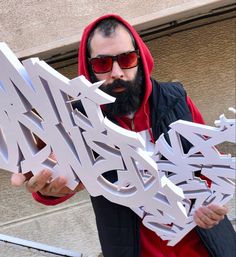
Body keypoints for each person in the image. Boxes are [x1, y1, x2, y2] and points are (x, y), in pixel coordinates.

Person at [11, 14, 235, 257]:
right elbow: (53, 178)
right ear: (89, 68)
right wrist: (47, 188)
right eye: (102, 64)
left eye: (126, 59)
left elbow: (207, 161)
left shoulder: (176, 98)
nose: (116, 72)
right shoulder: (75, 120)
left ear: (140, 58)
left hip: (207, 245)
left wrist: (215, 201)